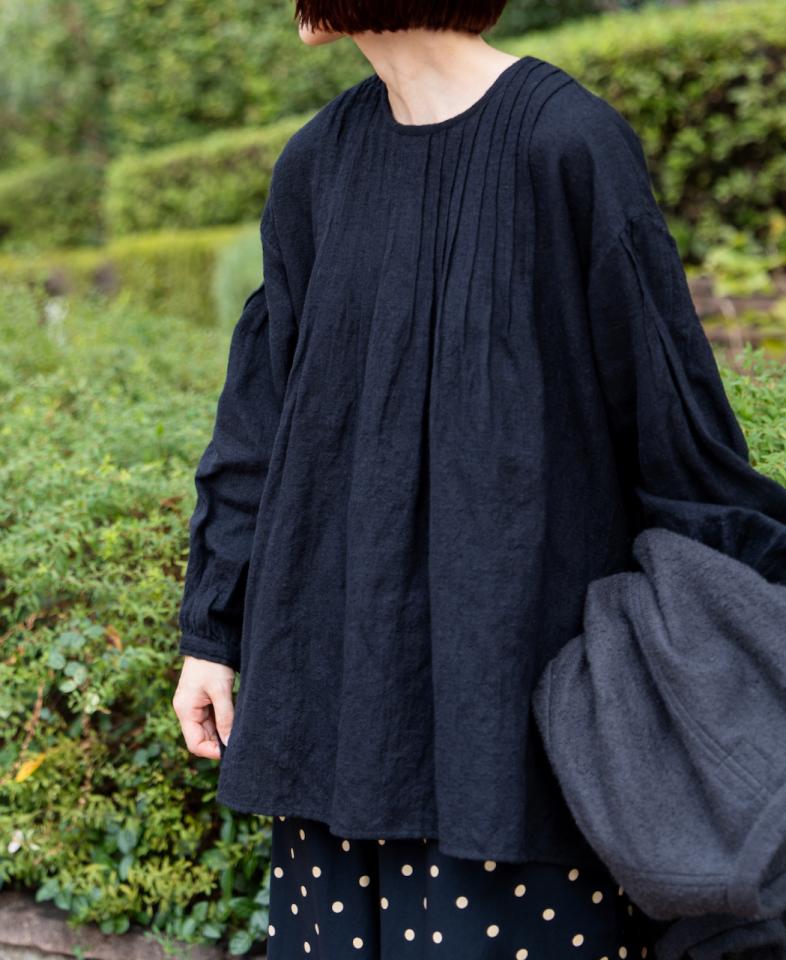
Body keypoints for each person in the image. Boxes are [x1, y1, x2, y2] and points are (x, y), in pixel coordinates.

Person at [172, 2, 786, 957]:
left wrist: (733, 659)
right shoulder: (315, 166)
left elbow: (675, 427)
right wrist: (210, 633)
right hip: (338, 699)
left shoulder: (569, 144)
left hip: (517, 716)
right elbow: (260, 415)